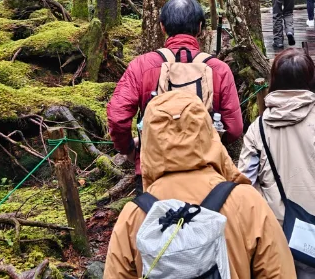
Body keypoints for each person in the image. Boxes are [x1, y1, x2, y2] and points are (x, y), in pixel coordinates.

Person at [105, 91, 297, 279]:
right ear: (209, 133)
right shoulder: (247, 202)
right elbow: (279, 272)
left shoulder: (133, 217)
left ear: (149, 142)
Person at [238, 50, 315, 278]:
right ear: (312, 79)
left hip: (273, 235)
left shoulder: (258, 128)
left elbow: (245, 185)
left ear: (274, 81)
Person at [107, 0, 244, 191]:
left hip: (155, 172)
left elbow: (117, 116)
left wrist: (130, 150)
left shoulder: (142, 66)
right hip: (207, 171)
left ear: (162, 27)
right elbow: (235, 128)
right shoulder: (218, 69)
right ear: (200, 27)